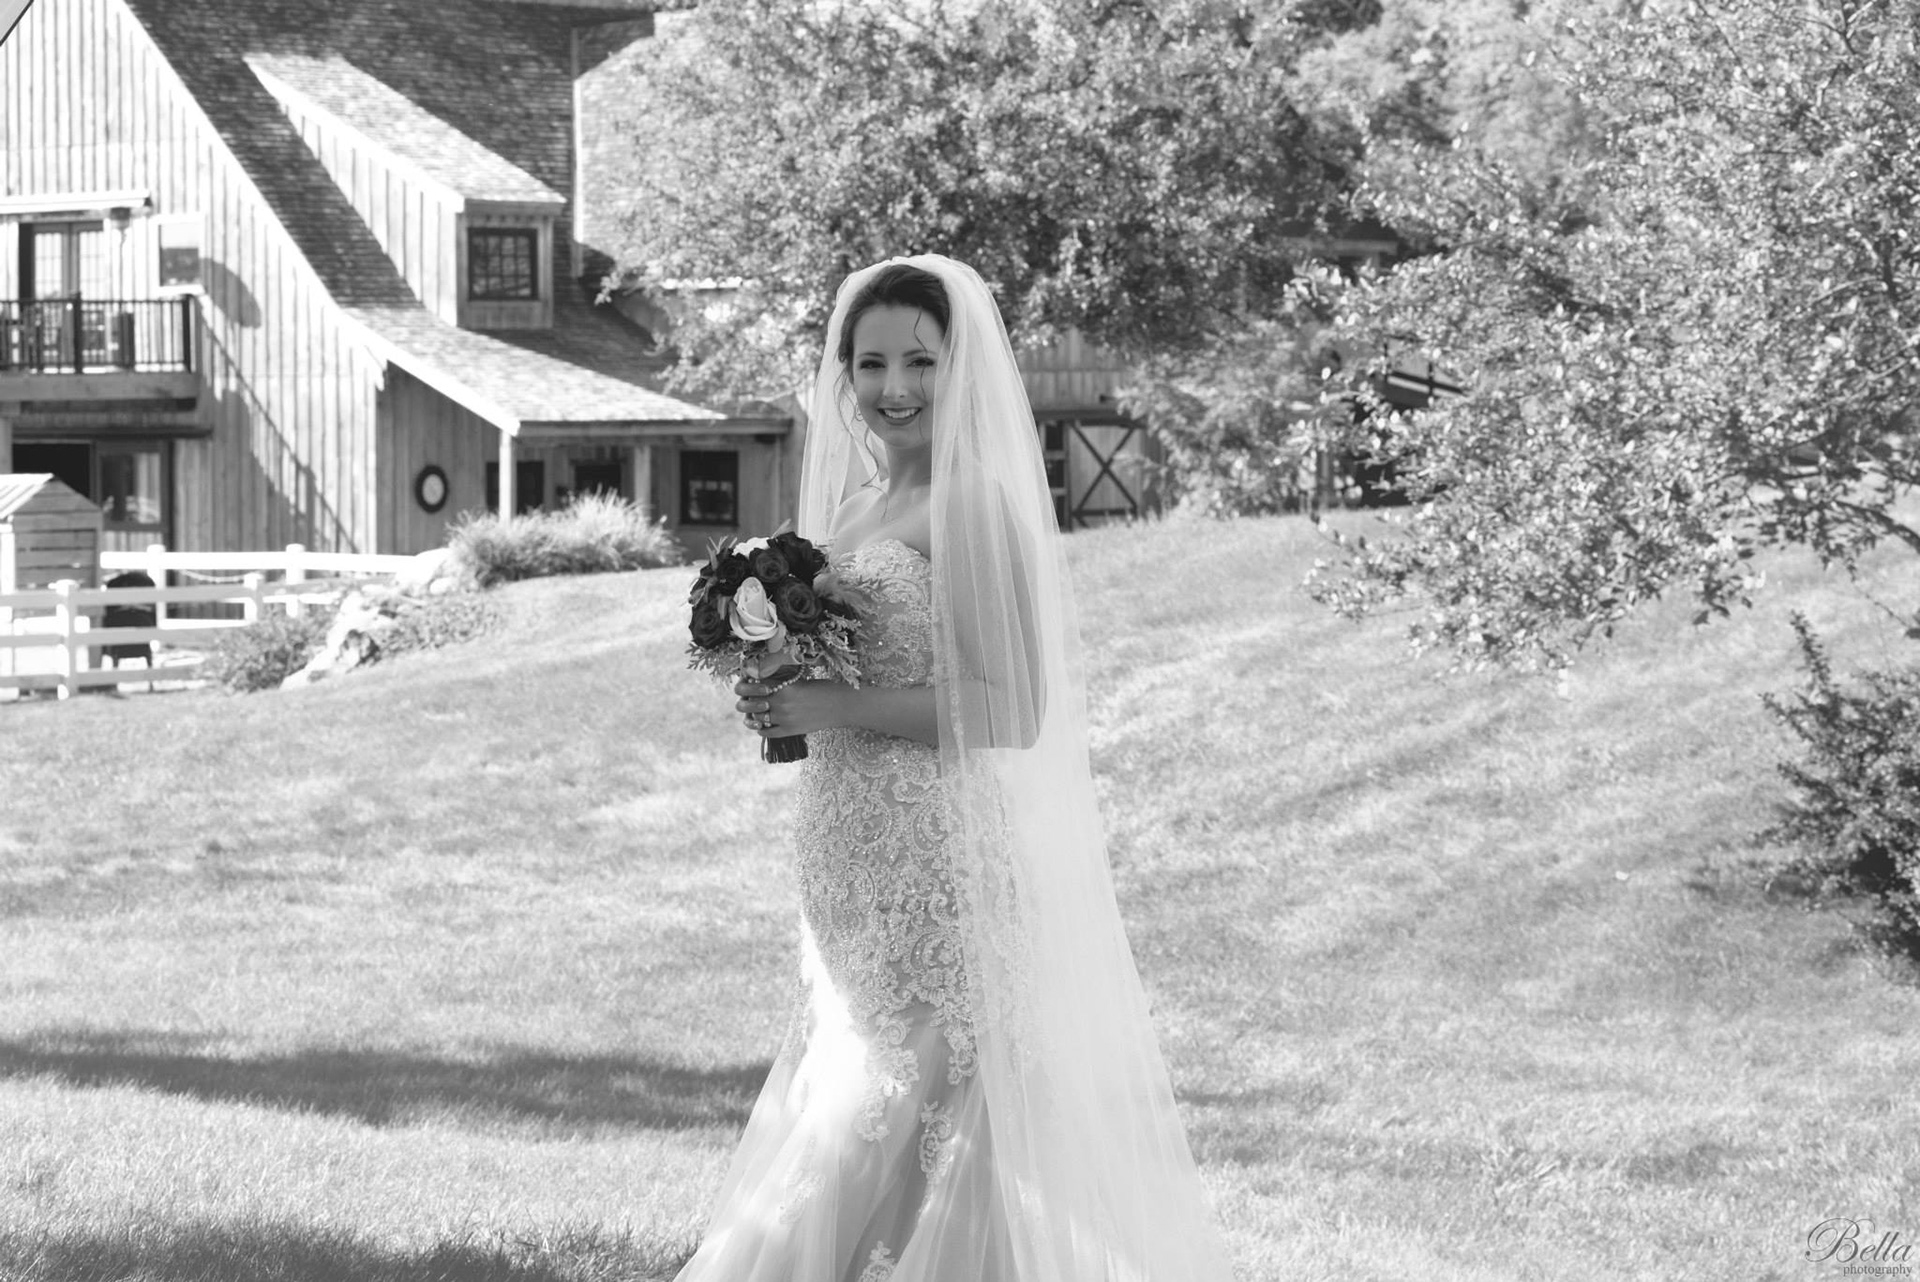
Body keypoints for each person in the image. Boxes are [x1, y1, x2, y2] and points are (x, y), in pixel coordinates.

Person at [679, 255, 1234, 1281]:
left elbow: (1012, 708)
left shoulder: (973, 506)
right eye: (872, 362)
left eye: (921, 362)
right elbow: (859, 666)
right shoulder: (850, 512)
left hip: (939, 864)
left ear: (958, 368)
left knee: (897, 1119)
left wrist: (838, 706)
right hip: (847, 856)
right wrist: (781, 685)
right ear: (843, 373)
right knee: (860, 1101)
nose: (895, 386)